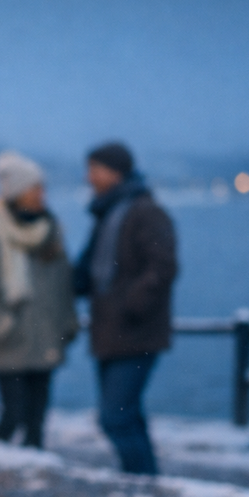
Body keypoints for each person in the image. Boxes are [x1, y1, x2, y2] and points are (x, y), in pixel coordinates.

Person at [0, 151, 78, 449]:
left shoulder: (51, 229)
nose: (41, 194)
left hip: (46, 334)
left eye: (42, 188)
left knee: (37, 422)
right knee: (12, 415)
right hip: (9, 338)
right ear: (17, 192)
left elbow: (64, 282)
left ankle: (30, 469)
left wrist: (68, 323)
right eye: (34, 188)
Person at [73, 142, 178, 475]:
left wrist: (133, 302)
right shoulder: (108, 212)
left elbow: (164, 266)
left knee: (114, 418)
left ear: (114, 171)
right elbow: (88, 271)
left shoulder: (145, 212)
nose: (89, 177)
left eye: (94, 169)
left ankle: (141, 477)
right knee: (127, 415)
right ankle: (144, 479)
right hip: (111, 333)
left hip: (135, 332)